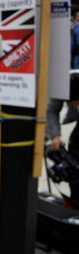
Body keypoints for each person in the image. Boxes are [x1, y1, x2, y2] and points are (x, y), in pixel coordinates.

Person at [47, 71, 79, 208]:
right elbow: (51, 111)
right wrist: (56, 135)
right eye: (74, 103)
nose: (76, 105)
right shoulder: (60, 86)